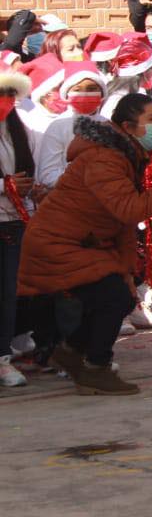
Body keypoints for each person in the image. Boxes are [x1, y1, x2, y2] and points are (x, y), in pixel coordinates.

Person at [19, 94, 152, 394]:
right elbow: (129, 209)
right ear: (128, 126)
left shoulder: (123, 155)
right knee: (113, 297)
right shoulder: (106, 158)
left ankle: (73, 353)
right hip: (60, 243)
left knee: (117, 295)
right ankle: (95, 366)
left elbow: (119, 220)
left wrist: (125, 268)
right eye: (151, 120)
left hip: (78, 241)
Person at [0, 69, 34, 387]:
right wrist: (5, 184)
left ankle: (2, 357)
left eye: (11, 95)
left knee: (8, 294)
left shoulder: (18, 131)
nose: (6, 102)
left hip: (12, 221)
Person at [35, 61, 107, 188]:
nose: (85, 94)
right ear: (67, 93)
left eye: (91, 89)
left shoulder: (107, 124)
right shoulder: (58, 127)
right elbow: (47, 176)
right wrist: (84, 175)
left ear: (102, 93)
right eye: (77, 90)